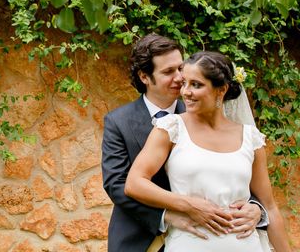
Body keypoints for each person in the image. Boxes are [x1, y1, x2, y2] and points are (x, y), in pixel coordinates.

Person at [101, 34, 262, 252]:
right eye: (168, 72)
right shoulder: (118, 121)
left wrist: (256, 208)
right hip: (140, 237)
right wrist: (168, 216)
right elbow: (117, 184)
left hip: (207, 238)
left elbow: (232, 169)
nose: (179, 77)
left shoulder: (204, 111)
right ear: (145, 77)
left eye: (180, 68)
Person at [125, 51, 291, 251]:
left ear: (221, 90)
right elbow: (134, 183)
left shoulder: (250, 137)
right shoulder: (170, 128)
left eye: (196, 85)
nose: (185, 91)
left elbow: (270, 207)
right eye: (184, 83)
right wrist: (188, 205)